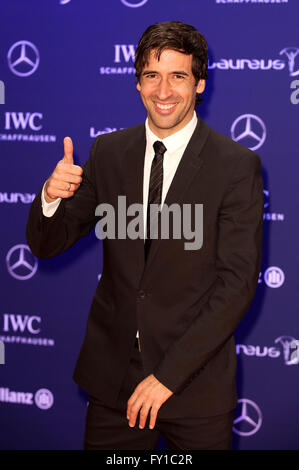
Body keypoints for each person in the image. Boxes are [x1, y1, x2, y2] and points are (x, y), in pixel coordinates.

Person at [26, 21, 264, 450]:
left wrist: (167, 377)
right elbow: (46, 244)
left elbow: (236, 285)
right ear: (137, 83)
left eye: (178, 76)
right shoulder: (108, 152)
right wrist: (49, 195)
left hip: (195, 385)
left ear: (200, 84)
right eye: (152, 75)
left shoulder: (236, 165)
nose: (164, 91)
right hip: (114, 383)